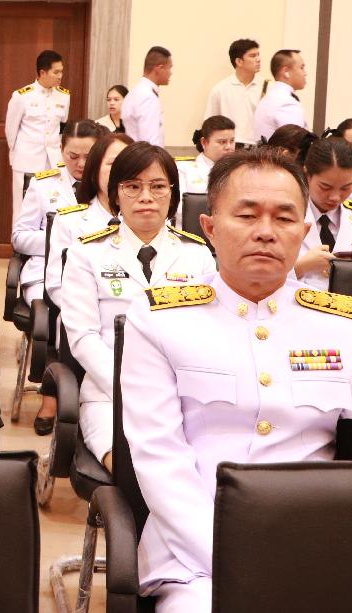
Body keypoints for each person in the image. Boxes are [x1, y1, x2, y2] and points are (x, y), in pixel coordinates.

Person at [123, 147, 352, 611]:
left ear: (303, 232)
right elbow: (159, 459)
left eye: (284, 218)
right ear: (210, 228)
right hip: (196, 558)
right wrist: (236, 556)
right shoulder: (160, 319)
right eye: (247, 215)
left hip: (318, 548)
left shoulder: (348, 327)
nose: (266, 231)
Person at [59, 142, 217, 469]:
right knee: (130, 469)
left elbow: (206, 333)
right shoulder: (86, 254)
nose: (146, 197)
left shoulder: (197, 255)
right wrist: (130, 385)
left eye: (158, 187)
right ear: (116, 195)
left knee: (198, 469)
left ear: (172, 194)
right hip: (110, 394)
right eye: (133, 187)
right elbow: (83, 337)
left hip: (182, 395)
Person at [12, 120, 105, 309]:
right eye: (73, 156)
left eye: (88, 157)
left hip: (96, 272)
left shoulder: (108, 186)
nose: (81, 164)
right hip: (45, 273)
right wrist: (61, 240)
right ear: (61, 149)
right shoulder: (43, 185)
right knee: (55, 312)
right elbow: (19, 237)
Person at [45, 133, 136, 312]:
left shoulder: (154, 221)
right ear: (94, 171)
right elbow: (56, 285)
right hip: (85, 317)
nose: (121, 171)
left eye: (128, 164)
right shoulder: (69, 221)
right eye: (113, 163)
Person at [293, 137, 352, 287]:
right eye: (325, 187)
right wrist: (300, 267)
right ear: (307, 175)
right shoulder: (287, 215)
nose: (335, 197)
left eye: (345, 187)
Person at [5, 49, 72, 222]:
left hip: (53, 161)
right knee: (23, 208)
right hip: (27, 159)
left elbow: (62, 126)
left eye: (61, 71)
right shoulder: (22, 96)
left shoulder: (64, 96)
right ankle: (19, 239)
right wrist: (16, 156)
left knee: (53, 204)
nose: (60, 76)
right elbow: (11, 131)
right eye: (56, 72)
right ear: (43, 72)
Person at [203, 39, 263, 147]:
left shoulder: (267, 87)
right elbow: (209, 124)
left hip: (259, 147)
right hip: (229, 147)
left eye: (258, 55)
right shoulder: (220, 89)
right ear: (239, 61)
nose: (258, 59)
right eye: (253, 56)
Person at [121, 46, 171, 147]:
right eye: (169, 68)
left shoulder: (135, 92)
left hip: (135, 152)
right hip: (145, 155)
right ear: (159, 68)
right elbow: (149, 142)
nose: (170, 73)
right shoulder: (147, 96)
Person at [254, 49, 308, 141]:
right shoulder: (285, 103)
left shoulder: (272, 96)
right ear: (286, 72)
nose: (305, 73)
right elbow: (297, 143)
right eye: (301, 68)